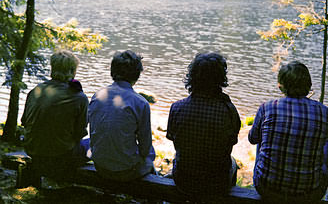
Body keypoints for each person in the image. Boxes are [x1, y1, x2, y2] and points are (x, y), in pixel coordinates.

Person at [249, 61, 328, 203]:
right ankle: (319, 172)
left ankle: (268, 172)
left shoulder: (267, 108)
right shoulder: (324, 112)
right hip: (309, 193)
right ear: (309, 85)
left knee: (260, 139)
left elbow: (252, 139)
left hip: (267, 188)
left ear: (280, 85)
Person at [166, 52, 241, 198]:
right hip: (216, 184)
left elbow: (175, 142)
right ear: (220, 78)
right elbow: (229, 146)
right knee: (233, 162)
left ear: (192, 77)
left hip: (184, 180)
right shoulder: (229, 110)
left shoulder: (177, 107)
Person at [21, 50, 90, 181]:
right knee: (92, 144)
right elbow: (79, 133)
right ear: (72, 71)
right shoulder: (79, 97)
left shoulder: (36, 90)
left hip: (32, 150)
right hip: (61, 156)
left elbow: (24, 121)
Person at [88, 50, 155, 182]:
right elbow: (145, 145)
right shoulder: (140, 103)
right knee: (150, 154)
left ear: (113, 71)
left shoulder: (97, 95)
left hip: (100, 165)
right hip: (125, 171)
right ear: (137, 75)